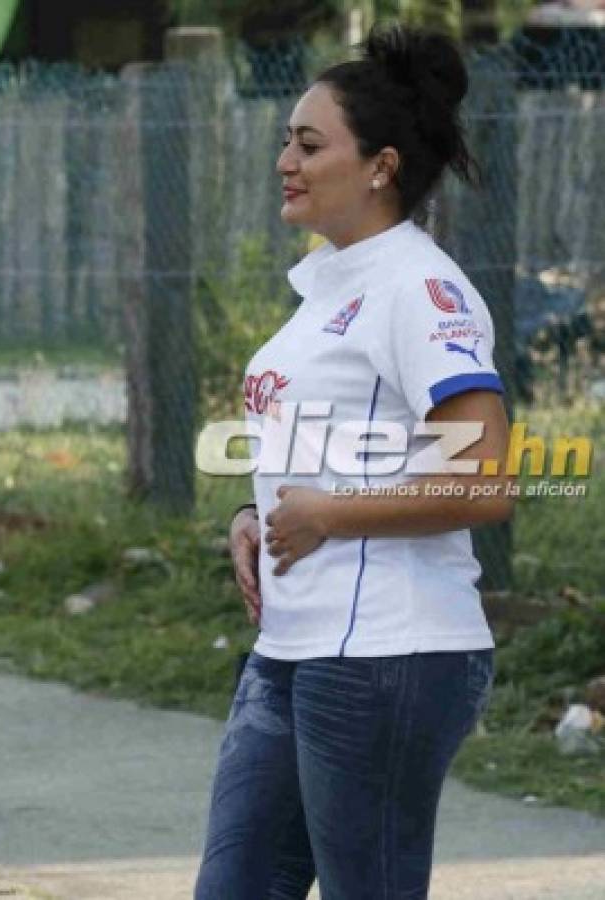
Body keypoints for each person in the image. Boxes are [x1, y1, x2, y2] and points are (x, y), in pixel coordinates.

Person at [195, 26, 514, 900]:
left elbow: (484, 480)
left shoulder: (420, 288)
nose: (283, 161)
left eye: (307, 144)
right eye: (284, 142)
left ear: (379, 165)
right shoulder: (331, 283)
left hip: (388, 653)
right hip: (292, 646)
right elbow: (327, 452)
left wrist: (331, 516)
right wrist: (255, 517)